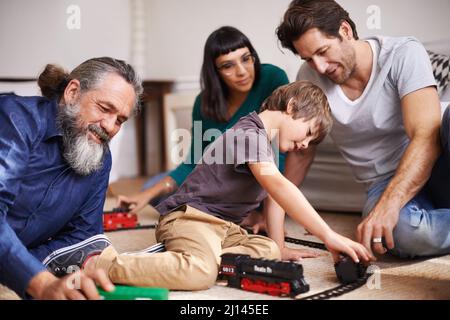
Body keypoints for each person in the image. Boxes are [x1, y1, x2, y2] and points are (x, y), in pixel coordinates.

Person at [83, 81, 374, 291]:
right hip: (189, 218)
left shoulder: (266, 147)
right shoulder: (248, 133)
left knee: (268, 250)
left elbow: (274, 198)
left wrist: (280, 247)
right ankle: (105, 264)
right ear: (292, 106)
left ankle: (202, 256)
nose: (305, 144)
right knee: (200, 274)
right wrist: (328, 235)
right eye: (308, 132)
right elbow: (279, 187)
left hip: (224, 230)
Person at [275, 0, 450, 258]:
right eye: (309, 59)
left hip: (438, 162)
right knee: (397, 234)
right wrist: (274, 214)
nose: (320, 67)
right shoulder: (309, 77)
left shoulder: (402, 53)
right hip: (383, 180)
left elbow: (426, 136)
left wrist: (390, 204)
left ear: (345, 30)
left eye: (323, 51)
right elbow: (302, 153)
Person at [118, 26, 289, 230]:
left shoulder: (273, 78)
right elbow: (194, 161)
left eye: (246, 58)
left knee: (183, 200)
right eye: (228, 66)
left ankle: (238, 213)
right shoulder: (204, 102)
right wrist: (145, 195)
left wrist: (267, 214)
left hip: (259, 180)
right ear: (214, 71)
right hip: (221, 180)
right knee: (152, 188)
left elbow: (280, 151)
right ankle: (236, 215)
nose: (242, 71)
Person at [0, 57, 143, 299]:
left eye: (120, 120)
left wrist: (25, 270)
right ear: (73, 92)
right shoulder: (15, 119)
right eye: (105, 108)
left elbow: (81, 237)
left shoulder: (100, 160)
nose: (110, 126)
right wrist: (41, 282)